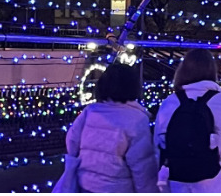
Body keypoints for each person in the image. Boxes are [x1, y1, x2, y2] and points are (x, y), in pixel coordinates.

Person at [155, 49, 221, 192]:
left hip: (177, 182)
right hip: (211, 184)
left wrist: (164, 186)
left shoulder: (169, 103)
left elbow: (158, 149)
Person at [62, 62, 158, 193]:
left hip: (85, 184)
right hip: (116, 188)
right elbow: (142, 166)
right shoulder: (137, 119)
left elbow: (72, 141)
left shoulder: (90, 111)